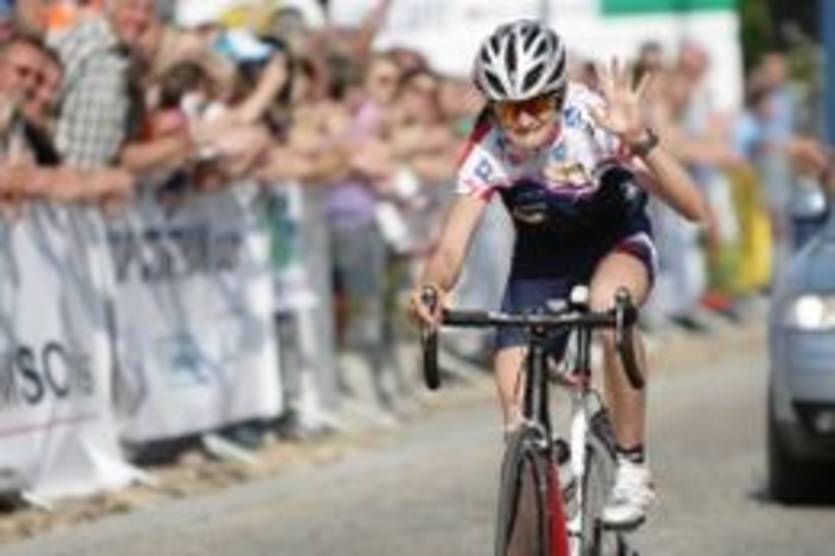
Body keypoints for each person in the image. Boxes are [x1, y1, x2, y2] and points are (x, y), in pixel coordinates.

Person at [410, 20, 706, 529]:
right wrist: (432, 287)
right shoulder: (489, 146)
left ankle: (632, 466)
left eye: (537, 104)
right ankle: (546, 468)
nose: (524, 120)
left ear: (560, 95)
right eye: (510, 109)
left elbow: (694, 207)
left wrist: (640, 140)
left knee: (608, 305)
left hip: (616, 242)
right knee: (514, 404)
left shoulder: (595, 119)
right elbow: (452, 246)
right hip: (543, 260)